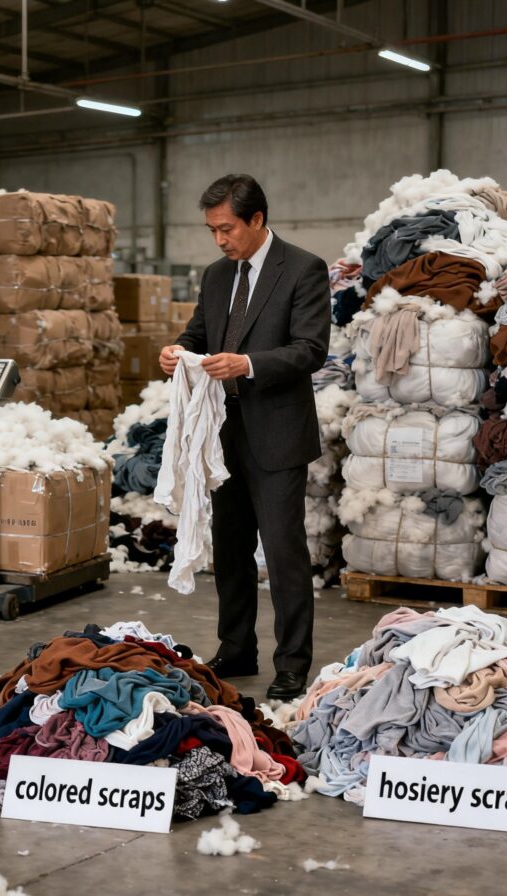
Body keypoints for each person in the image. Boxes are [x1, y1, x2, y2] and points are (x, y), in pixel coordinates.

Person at [159, 173, 329, 701]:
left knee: (282, 553)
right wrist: (175, 350)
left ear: (256, 219)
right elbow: (198, 333)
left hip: (277, 434)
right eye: (212, 230)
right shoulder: (216, 276)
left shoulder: (302, 268)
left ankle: (292, 664)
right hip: (221, 433)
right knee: (230, 550)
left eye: (227, 229)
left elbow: (310, 349)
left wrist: (248, 364)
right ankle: (236, 648)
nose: (219, 240)